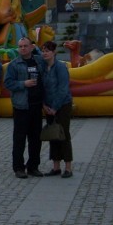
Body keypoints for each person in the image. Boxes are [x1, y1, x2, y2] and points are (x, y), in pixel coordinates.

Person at [4, 36, 46, 179]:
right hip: (21, 106)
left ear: (31, 47)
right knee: (19, 139)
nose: (22, 48)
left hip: (36, 105)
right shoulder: (14, 65)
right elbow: (8, 83)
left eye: (25, 46)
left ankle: (33, 166)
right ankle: (19, 167)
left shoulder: (39, 61)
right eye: (20, 46)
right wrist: (23, 84)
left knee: (35, 138)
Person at [41, 41, 74, 178]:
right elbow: (41, 88)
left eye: (48, 50)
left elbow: (63, 88)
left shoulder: (60, 67)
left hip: (62, 105)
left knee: (63, 134)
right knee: (52, 134)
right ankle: (56, 166)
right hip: (48, 106)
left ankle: (68, 167)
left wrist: (55, 107)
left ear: (54, 52)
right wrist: (44, 105)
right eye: (43, 50)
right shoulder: (43, 68)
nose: (45, 53)